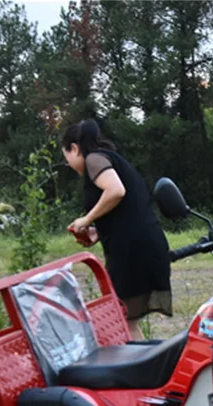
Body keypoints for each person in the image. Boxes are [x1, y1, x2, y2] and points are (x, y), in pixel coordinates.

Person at [62, 119, 172, 340]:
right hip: (142, 244)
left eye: (66, 157)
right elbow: (126, 211)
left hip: (132, 251)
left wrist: (86, 219)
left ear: (74, 148)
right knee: (126, 322)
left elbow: (116, 191)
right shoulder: (110, 159)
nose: (68, 164)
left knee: (121, 321)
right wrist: (97, 231)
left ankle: (147, 373)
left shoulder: (94, 159)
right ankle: (149, 370)